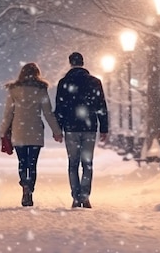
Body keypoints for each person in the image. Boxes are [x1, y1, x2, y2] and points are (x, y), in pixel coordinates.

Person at [0, 62, 63, 207]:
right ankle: (30, 188)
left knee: (22, 162)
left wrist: (3, 132)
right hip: (35, 131)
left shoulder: (14, 90)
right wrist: (57, 131)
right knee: (32, 163)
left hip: (19, 130)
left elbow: (8, 114)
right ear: (37, 74)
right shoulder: (41, 90)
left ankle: (24, 186)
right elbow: (48, 113)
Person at [54, 52, 109, 208]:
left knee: (73, 163)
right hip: (89, 127)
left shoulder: (63, 82)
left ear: (70, 63)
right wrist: (104, 128)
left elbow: (60, 107)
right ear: (83, 63)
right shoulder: (95, 82)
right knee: (87, 163)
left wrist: (57, 129)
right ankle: (85, 196)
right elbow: (101, 106)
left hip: (71, 128)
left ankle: (76, 196)